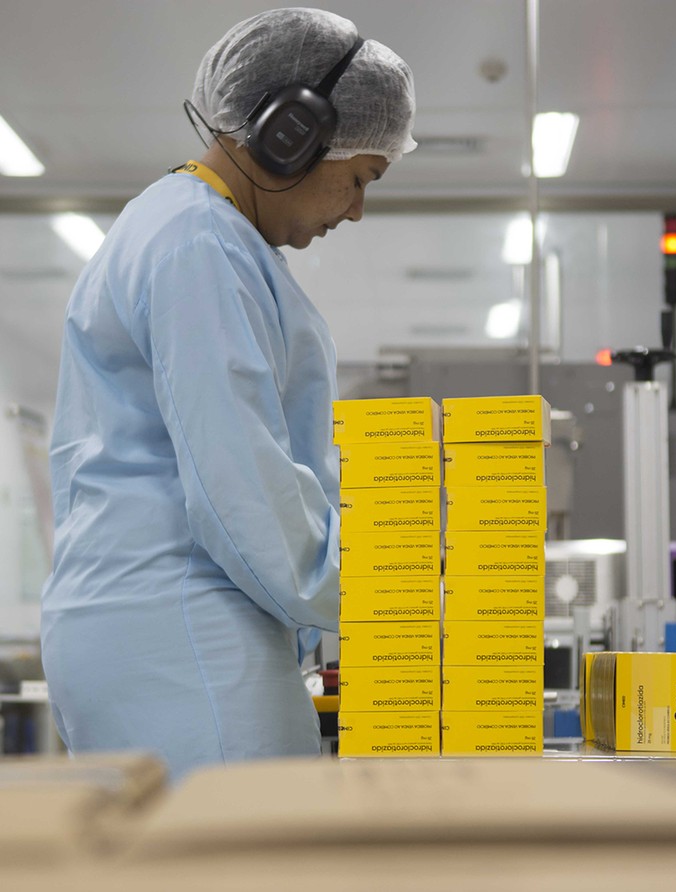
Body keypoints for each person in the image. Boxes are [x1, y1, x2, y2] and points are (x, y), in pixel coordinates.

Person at [39, 8, 416, 781]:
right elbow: (238, 476)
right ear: (292, 135)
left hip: (158, 626)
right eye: (360, 177)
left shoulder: (192, 232)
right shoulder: (196, 244)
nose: (355, 210)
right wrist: (386, 594)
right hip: (183, 634)